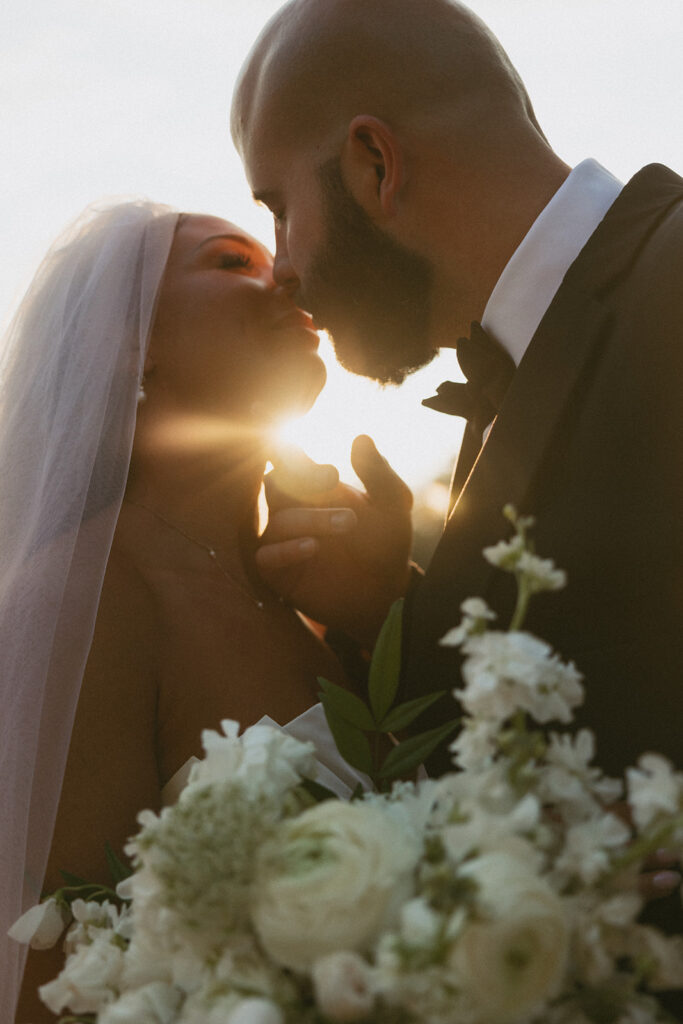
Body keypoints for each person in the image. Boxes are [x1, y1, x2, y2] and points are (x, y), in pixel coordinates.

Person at [230, 0, 683, 776]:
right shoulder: (508, 375)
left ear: (375, 162)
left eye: (278, 210)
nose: (281, 268)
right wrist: (389, 611)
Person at [2, 200, 360, 1023]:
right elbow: (51, 992)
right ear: (130, 346)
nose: (287, 276)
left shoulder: (313, 600)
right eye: (232, 261)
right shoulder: (79, 604)